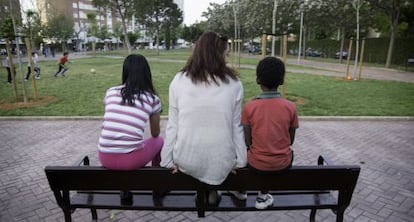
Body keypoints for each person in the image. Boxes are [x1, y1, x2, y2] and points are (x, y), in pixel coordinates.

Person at [160, 32, 247, 205]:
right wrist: (241, 160)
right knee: (211, 158)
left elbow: (173, 125)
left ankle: (207, 191)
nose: (226, 57)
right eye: (225, 53)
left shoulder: (178, 80)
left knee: (201, 158)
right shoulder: (234, 83)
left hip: (186, 159)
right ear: (219, 54)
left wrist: (166, 160)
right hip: (222, 162)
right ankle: (212, 190)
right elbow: (235, 126)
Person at [98, 54, 164, 203]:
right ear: (147, 73)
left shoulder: (111, 92)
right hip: (130, 160)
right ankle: (157, 185)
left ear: (125, 71)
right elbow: (155, 133)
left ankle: (125, 190)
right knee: (159, 140)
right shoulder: (152, 99)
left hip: (105, 157)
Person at [236, 57, 299, 209]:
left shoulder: (250, 107)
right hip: (282, 164)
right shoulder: (290, 107)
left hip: (255, 163)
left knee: (247, 154)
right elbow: (290, 141)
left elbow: (248, 142)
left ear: (258, 80)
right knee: (276, 157)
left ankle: (245, 191)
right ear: (282, 80)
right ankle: (262, 196)